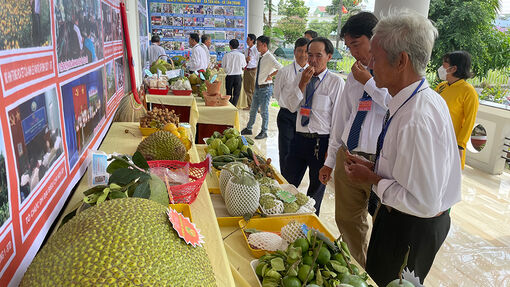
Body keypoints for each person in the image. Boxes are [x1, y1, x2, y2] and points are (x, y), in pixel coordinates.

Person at [344, 12, 461, 286]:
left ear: (401, 61)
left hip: (412, 225)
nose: (369, 62)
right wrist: (375, 169)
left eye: (376, 55)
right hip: (398, 216)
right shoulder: (411, 101)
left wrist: (373, 179)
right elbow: (408, 171)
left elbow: (424, 201)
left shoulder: (416, 117)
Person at [318, 12, 390, 268]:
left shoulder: (394, 74)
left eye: (356, 44)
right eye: (348, 47)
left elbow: (397, 107)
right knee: (348, 220)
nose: (353, 52)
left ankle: (378, 273)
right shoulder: (354, 75)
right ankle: (355, 271)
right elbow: (342, 118)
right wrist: (330, 160)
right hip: (349, 154)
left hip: (380, 163)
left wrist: (369, 82)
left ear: (376, 38)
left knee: (384, 228)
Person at [284, 37, 345, 214]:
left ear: (329, 57)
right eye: (310, 55)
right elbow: (291, 106)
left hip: (321, 143)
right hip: (298, 140)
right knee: (287, 185)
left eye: (319, 55)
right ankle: (284, 218)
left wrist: (332, 152)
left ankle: (311, 227)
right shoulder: (301, 76)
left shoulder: (335, 82)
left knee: (314, 194)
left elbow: (338, 120)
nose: (312, 60)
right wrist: (302, 83)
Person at [435, 51, 479, 169]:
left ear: (453, 68)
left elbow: (470, 121)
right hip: (435, 138)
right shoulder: (441, 87)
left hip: (452, 143)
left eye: (445, 63)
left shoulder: (468, 92)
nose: (441, 65)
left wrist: (460, 145)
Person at [273, 37, 309, 176]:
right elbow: (277, 93)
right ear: (294, 52)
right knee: (286, 150)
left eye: (306, 51)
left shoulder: (312, 72)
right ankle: (285, 179)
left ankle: (294, 180)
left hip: (304, 116)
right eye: (300, 51)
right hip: (287, 115)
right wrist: (288, 104)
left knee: (300, 150)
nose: (303, 55)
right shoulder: (284, 71)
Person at [241, 35, 282, 139]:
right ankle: (249, 128)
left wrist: (270, 75)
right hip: (258, 87)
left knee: (264, 111)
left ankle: (264, 131)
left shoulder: (269, 57)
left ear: (264, 45)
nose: (257, 47)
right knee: (253, 109)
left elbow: (281, 68)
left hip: (265, 88)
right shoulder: (261, 56)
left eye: (258, 45)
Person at [222, 39, 247, 106]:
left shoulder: (226, 55)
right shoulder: (241, 55)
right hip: (238, 76)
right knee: (236, 93)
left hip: (229, 76)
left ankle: (230, 106)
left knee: (228, 93)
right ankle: (234, 106)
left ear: (230, 46)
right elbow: (244, 66)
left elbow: (223, 66)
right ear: (238, 46)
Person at [243, 34, 259, 109]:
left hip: (253, 70)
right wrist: (246, 60)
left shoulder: (256, 50)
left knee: (254, 89)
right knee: (246, 88)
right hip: (246, 70)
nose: (246, 41)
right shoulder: (246, 50)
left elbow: (258, 60)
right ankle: (250, 105)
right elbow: (245, 60)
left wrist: (251, 60)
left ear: (252, 40)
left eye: (248, 39)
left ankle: (257, 107)